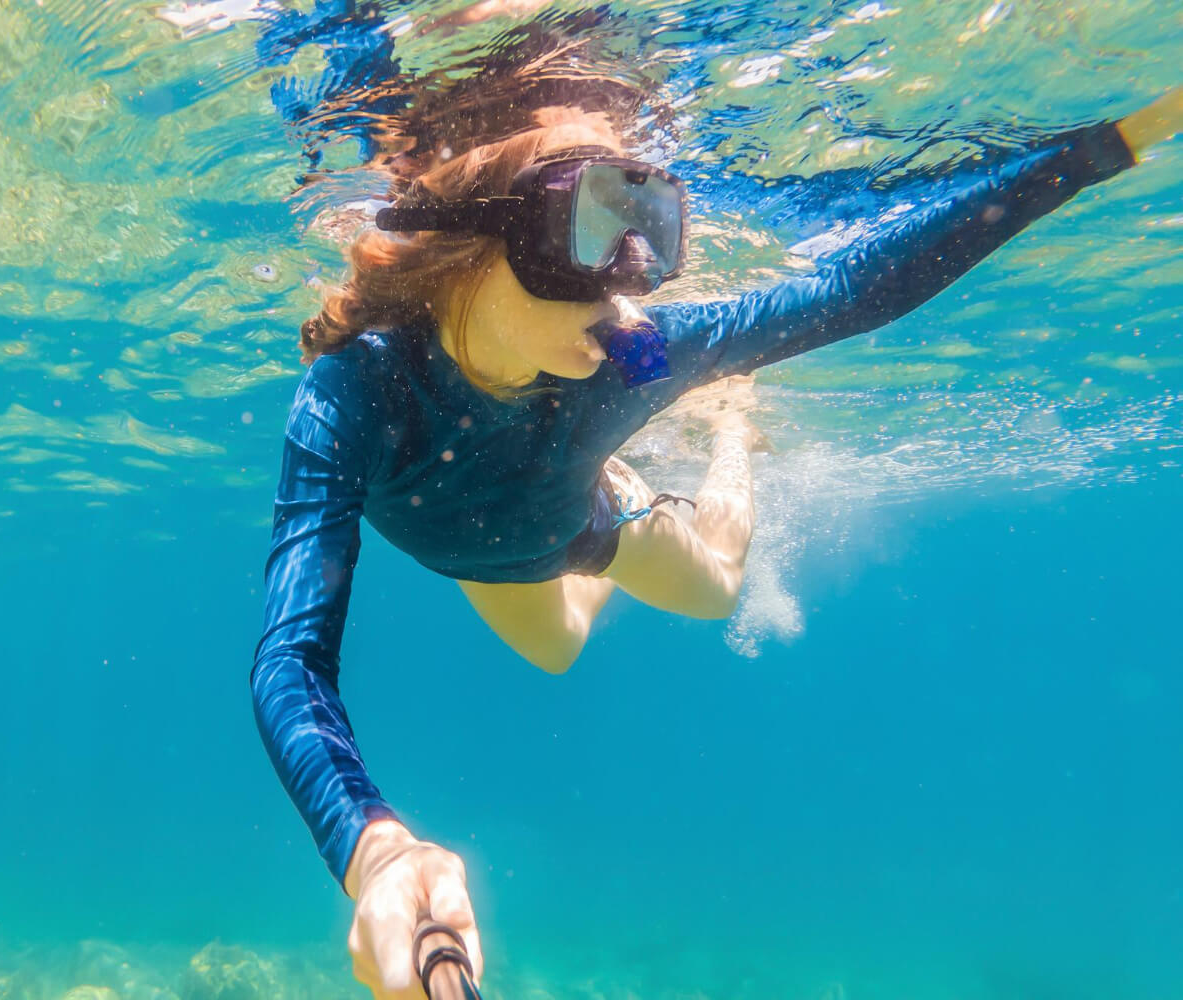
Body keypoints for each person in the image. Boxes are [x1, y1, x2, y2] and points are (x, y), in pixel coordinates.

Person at [251, 89, 1182, 999]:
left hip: (575, 532)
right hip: (488, 551)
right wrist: (374, 849)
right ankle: (621, 479)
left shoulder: (625, 357)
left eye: (651, 228)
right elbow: (290, 659)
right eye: (596, 231)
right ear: (478, 246)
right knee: (557, 647)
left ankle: (725, 438)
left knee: (714, 590)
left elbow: (852, 291)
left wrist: (1107, 146)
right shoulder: (354, 390)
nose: (631, 274)